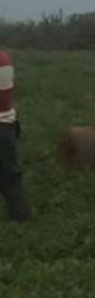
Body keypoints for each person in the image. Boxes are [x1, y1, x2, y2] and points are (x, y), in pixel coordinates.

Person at [0, 50, 31, 223]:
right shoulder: (4, 58)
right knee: (9, 176)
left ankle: (20, 218)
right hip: (6, 125)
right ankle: (20, 217)